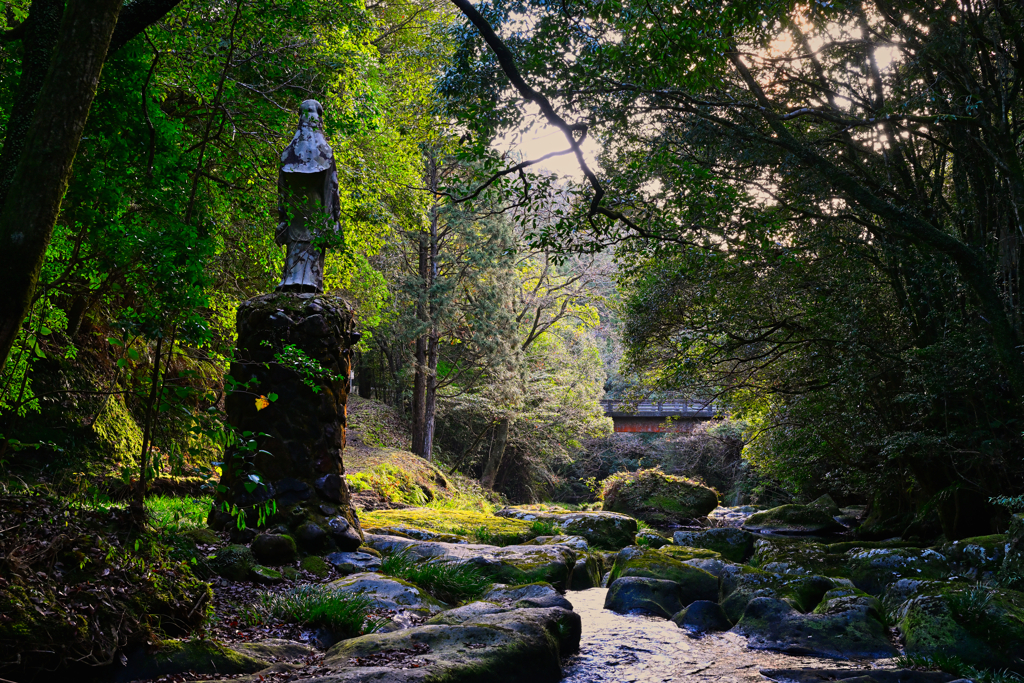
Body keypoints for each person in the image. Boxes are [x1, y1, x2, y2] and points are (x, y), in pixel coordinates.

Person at [275, 99, 342, 292]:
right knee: (313, 244)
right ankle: (312, 283)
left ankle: (290, 279)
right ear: (318, 120)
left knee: (295, 244)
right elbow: (332, 187)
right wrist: (334, 215)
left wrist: (282, 215)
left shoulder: (288, 153)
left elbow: (282, 188)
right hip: (317, 206)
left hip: (294, 207)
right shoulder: (325, 151)